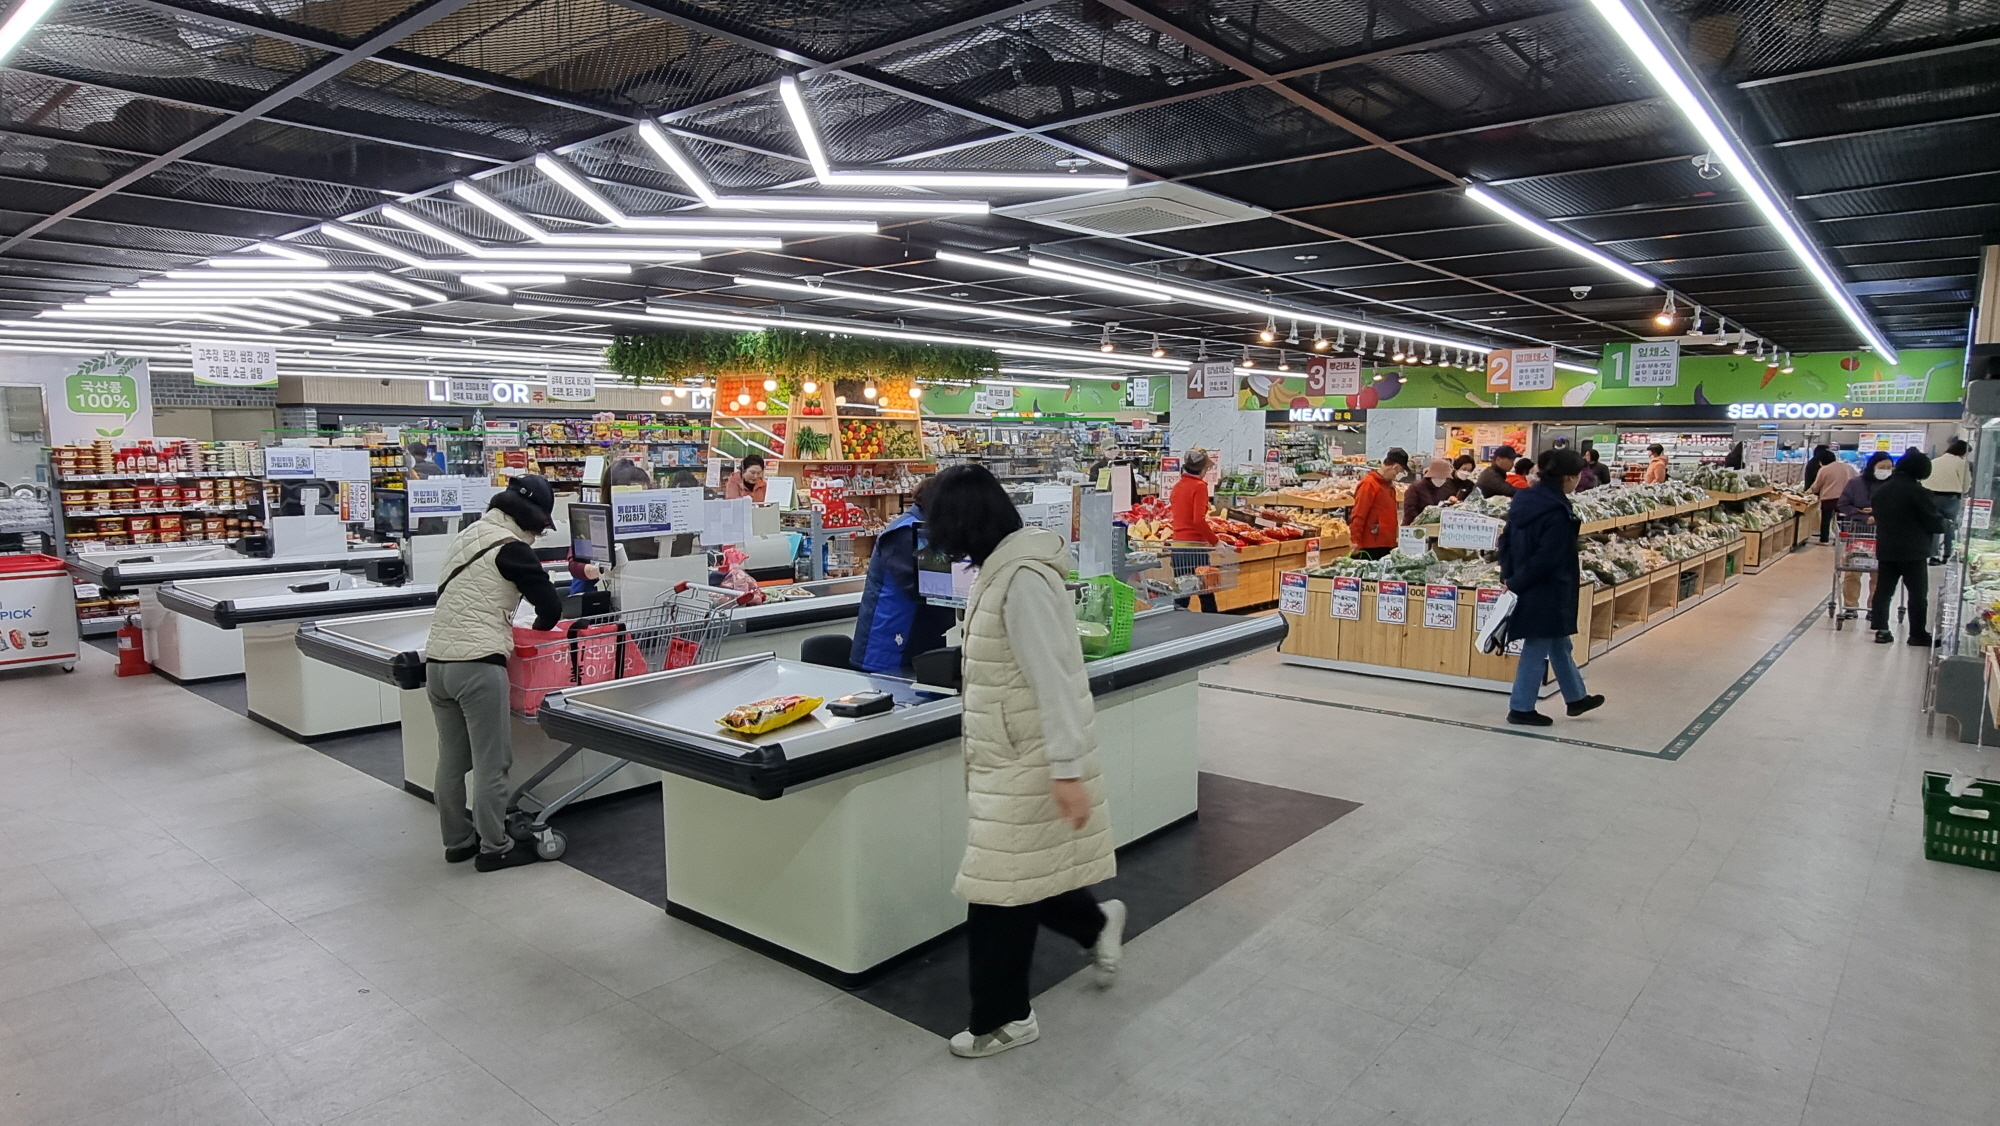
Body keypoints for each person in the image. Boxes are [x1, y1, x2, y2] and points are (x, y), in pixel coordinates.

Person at [922, 464, 1123, 1059]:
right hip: (1007, 753)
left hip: (1028, 758)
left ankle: (1004, 1019)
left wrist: (1066, 770)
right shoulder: (1000, 570)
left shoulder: (1022, 580)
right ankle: (1096, 924)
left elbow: (1056, 680)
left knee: (997, 889)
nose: (936, 538)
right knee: (1021, 871)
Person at [422, 474, 564, 872]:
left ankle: (457, 842)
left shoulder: (468, 535)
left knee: (452, 760)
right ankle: (495, 847)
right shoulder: (512, 548)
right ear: (531, 520)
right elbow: (550, 609)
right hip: (478, 668)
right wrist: (538, 630)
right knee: (492, 762)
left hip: (438, 665)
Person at [1497, 448, 1603, 727]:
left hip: (1526, 582)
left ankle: (1576, 697)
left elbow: (1505, 540)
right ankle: (1521, 707)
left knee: (1559, 641)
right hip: (1547, 587)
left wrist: (1509, 576)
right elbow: (1547, 557)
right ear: (1567, 477)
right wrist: (1517, 582)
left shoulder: (1524, 500)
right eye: (1577, 476)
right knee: (1537, 645)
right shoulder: (1556, 511)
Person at [851, 478, 953, 674]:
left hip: (911, 639)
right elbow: (926, 588)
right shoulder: (905, 533)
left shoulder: (925, 528)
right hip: (889, 645)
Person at [1870, 450, 1947, 645]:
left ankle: (1881, 629)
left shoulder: (1882, 490)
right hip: (1913, 551)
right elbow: (1933, 521)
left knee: (1884, 591)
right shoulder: (1918, 491)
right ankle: (1917, 634)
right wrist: (1945, 523)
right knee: (1917, 594)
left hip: (1887, 548)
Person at [1837, 451, 1895, 618]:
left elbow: (1899, 507)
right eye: (1882, 467)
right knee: (1852, 571)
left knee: (1878, 574)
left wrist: (1878, 514)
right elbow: (1843, 504)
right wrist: (1862, 515)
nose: (1886, 471)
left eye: (1889, 467)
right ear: (1872, 466)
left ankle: (1874, 607)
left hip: (1883, 535)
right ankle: (1850, 606)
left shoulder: (1893, 486)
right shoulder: (1855, 484)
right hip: (1858, 533)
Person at [1169, 447, 1219, 613]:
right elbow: (1198, 520)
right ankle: (1213, 625)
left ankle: (1175, 623)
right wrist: (1215, 541)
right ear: (1202, 469)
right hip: (1194, 548)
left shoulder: (1178, 486)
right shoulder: (1199, 487)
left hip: (1178, 547)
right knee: (1205, 591)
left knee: (1183, 593)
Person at [1350, 448, 1408, 558]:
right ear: (1395, 467)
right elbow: (1358, 514)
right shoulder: (1369, 484)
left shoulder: (1389, 486)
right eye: (1398, 472)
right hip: (1371, 545)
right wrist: (1355, 541)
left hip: (1387, 544)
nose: (1397, 476)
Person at [1925, 438, 1971, 564]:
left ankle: (1933, 556)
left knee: (1934, 526)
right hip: (1951, 498)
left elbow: (1926, 480)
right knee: (1950, 527)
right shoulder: (1961, 463)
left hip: (1932, 497)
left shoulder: (1935, 461)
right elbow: (1966, 483)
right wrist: (1964, 491)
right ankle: (1947, 554)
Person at [1810, 448, 1854, 544]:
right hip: (1846, 498)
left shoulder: (1824, 469)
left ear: (1822, 461)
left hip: (1829, 498)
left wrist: (1813, 491)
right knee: (1844, 519)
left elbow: (1817, 485)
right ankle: (1844, 537)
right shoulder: (1848, 467)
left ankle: (1824, 539)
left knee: (1826, 519)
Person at [1402, 457, 1456, 525]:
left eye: (1444, 478)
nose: (1443, 480)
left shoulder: (1446, 488)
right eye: (1440, 478)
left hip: (1436, 527)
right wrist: (1423, 521)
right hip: (1414, 526)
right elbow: (1409, 511)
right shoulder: (1415, 488)